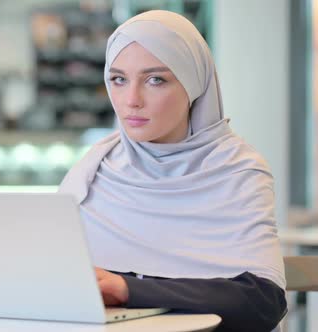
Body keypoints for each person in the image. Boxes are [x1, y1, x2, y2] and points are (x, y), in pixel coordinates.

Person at [58, 10, 287, 332]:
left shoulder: (237, 169)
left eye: (156, 80)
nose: (131, 100)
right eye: (118, 79)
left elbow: (262, 303)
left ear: (193, 84)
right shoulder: (94, 168)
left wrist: (127, 289)